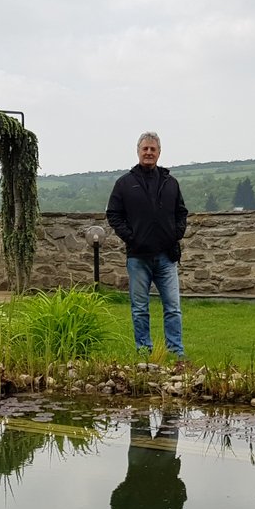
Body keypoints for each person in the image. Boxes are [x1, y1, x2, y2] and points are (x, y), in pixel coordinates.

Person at [105, 131, 188, 363]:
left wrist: (176, 234)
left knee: (173, 308)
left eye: (153, 149)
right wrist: (131, 238)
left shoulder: (170, 183)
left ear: (159, 153)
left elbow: (181, 212)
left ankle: (176, 352)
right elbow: (113, 214)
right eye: (145, 149)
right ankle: (144, 351)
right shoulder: (125, 183)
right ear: (138, 151)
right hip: (138, 257)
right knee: (140, 308)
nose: (149, 152)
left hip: (167, 256)